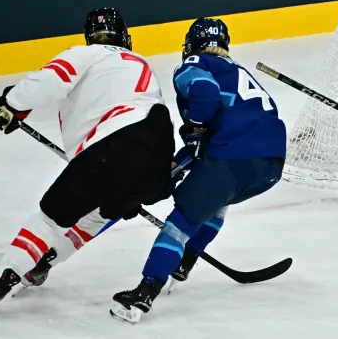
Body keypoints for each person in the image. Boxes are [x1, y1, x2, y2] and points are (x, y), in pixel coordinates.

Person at [0, 7, 175, 320]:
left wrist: (12, 103)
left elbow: (50, 79)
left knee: (50, 219)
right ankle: (43, 264)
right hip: (157, 159)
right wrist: (137, 182)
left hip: (112, 147)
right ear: (125, 36)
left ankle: (4, 278)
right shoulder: (140, 63)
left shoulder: (86, 54)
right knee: (96, 213)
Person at [109, 18, 287, 324]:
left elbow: (204, 93)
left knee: (181, 222)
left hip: (233, 157)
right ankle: (184, 262)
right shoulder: (236, 71)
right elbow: (218, 136)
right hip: (270, 164)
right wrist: (181, 160)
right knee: (216, 202)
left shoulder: (195, 64)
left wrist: (194, 127)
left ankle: (144, 293)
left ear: (191, 45)